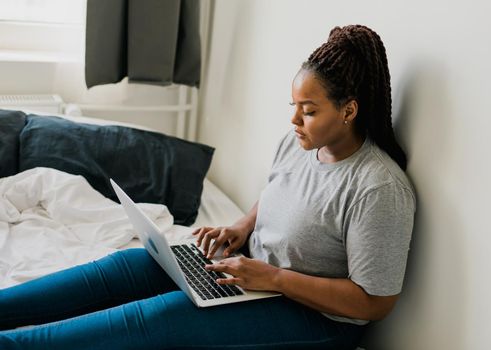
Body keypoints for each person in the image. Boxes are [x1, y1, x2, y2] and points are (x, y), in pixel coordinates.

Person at [0, 24, 415, 349]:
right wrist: (241, 227)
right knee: (121, 269)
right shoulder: (300, 143)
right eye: (294, 107)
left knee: (151, 320)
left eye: (308, 111)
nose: (294, 121)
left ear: (349, 110)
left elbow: (374, 302)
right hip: (251, 272)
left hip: (314, 316)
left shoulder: (378, 188)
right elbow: (282, 194)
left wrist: (273, 279)